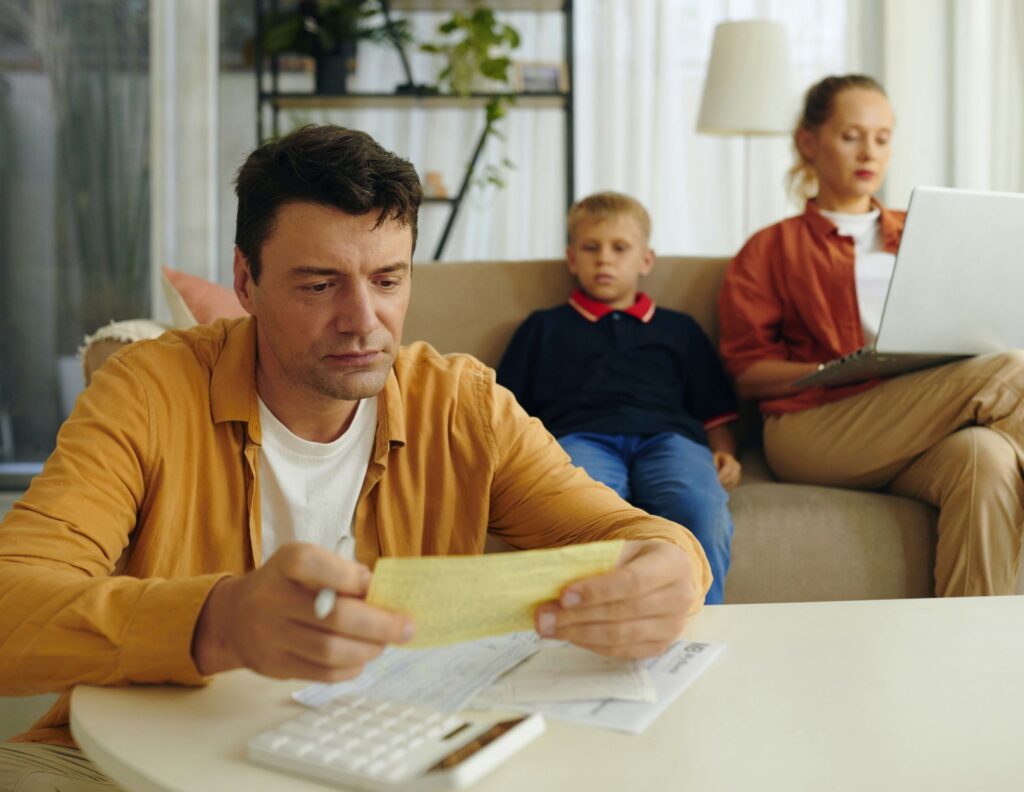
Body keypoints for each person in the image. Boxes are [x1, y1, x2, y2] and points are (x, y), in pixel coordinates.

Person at [0, 126, 711, 786]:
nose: (363, 321)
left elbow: (637, 537)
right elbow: (10, 605)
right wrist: (217, 621)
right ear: (245, 282)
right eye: (319, 284)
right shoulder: (148, 390)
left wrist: (674, 567)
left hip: (388, 758)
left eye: (388, 280)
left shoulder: (463, 404)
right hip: (132, 762)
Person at [718, 74, 1024, 598]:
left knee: (986, 459)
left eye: (882, 138)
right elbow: (747, 374)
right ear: (808, 142)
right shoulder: (771, 248)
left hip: (923, 416)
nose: (870, 152)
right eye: (851, 135)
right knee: (1011, 369)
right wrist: (834, 370)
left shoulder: (928, 231)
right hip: (815, 427)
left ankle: (975, 659)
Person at [497, 192, 740, 605]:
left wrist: (725, 451)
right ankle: (591, 622)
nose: (604, 259)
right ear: (572, 259)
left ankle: (703, 620)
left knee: (701, 508)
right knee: (577, 514)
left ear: (645, 260)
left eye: (619, 248)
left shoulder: (678, 329)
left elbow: (714, 407)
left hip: (669, 439)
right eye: (591, 248)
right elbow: (505, 411)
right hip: (580, 438)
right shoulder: (543, 328)